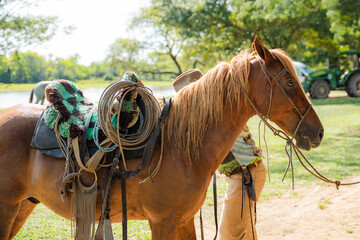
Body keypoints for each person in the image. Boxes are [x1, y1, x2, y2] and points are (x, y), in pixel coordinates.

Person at [172, 69, 266, 240]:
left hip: (244, 176)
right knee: (245, 232)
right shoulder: (220, 110)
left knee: (228, 235)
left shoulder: (213, 119)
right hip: (248, 173)